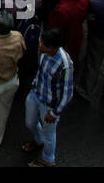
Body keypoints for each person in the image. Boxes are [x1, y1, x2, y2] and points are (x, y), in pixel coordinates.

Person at [23, 27, 73, 167]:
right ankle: (38, 141)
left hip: (50, 105)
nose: (40, 45)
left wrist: (55, 112)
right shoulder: (44, 54)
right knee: (30, 123)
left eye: (43, 44)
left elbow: (67, 93)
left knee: (49, 134)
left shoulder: (65, 64)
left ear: (52, 47)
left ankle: (48, 159)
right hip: (36, 94)